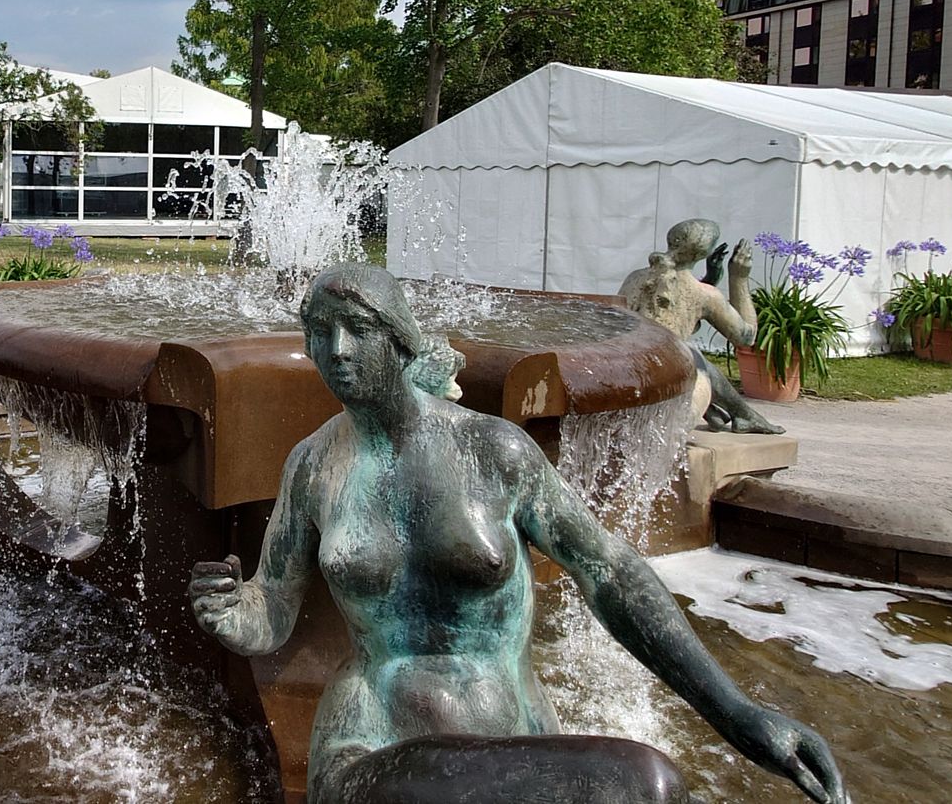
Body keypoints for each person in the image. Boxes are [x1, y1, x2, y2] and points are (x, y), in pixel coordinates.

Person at [189, 264, 845, 804]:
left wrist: (736, 712)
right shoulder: (312, 465)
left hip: (510, 734)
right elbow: (272, 607)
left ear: (399, 339)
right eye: (319, 331)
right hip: (371, 750)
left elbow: (609, 572)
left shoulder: (492, 451)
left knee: (648, 784)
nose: (336, 350)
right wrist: (233, 611)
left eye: (357, 329)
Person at [618, 219, 781, 434]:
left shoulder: (636, 278)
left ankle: (734, 414)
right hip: (672, 400)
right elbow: (746, 336)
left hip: (633, 376)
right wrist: (739, 278)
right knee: (692, 355)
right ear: (704, 253)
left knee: (687, 353)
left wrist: (711, 278)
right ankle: (741, 414)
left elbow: (669, 308)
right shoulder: (705, 295)